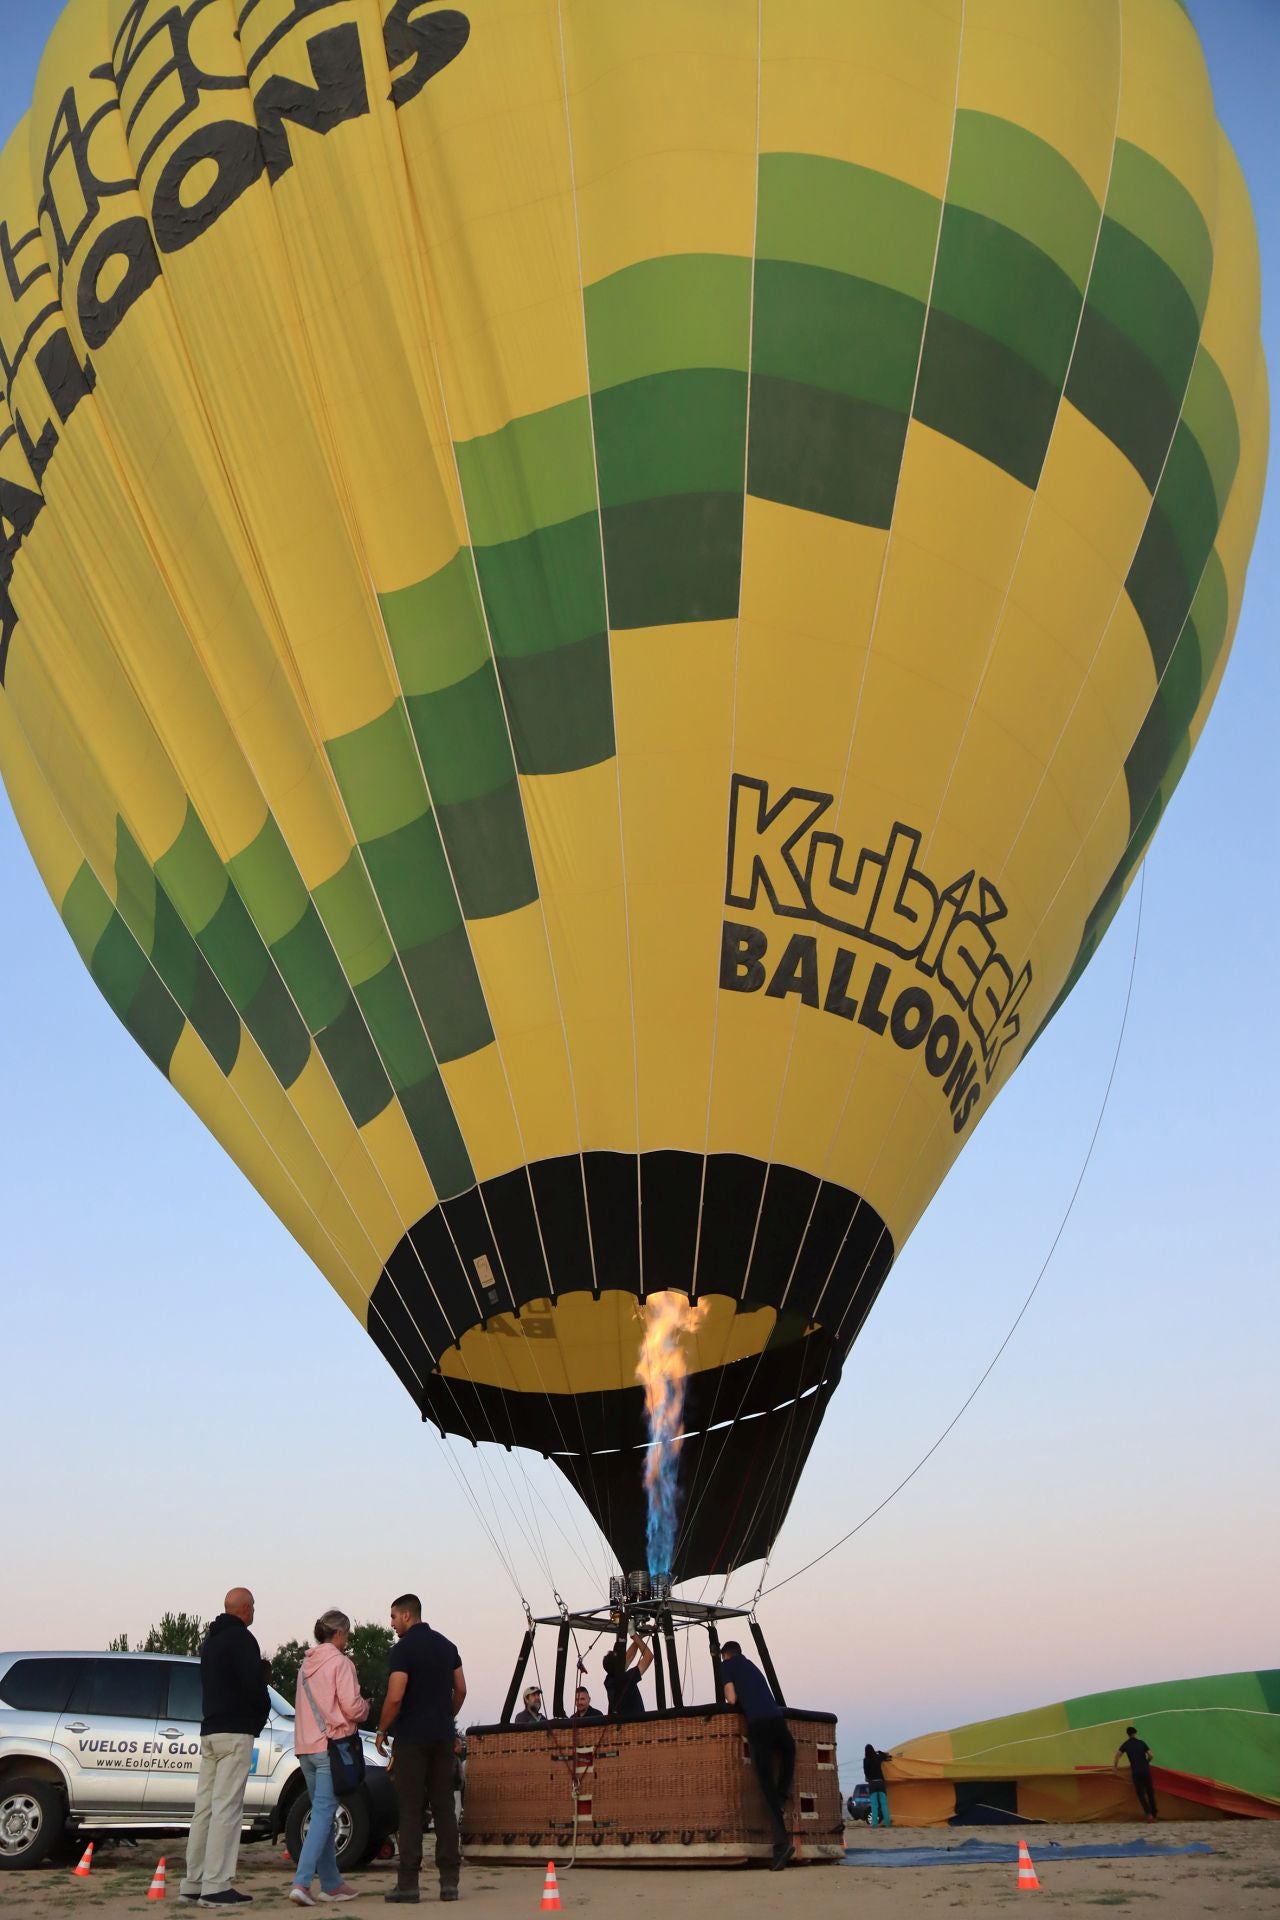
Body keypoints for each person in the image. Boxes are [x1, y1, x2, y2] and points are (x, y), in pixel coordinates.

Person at [179, 1586, 270, 1909]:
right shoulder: (243, 1640)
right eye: (254, 1606)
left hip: (210, 1730)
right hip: (235, 1732)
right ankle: (216, 1885)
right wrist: (259, 1716)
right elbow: (253, 1685)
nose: (255, 1611)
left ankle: (193, 1881)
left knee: (204, 1807)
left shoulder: (211, 1641)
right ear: (244, 1609)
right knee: (228, 1808)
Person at [376, 1593, 465, 1905]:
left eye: (393, 1617)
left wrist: (382, 1729)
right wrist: (445, 1717)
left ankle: (409, 1885)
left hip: (412, 1739)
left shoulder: (402, 1650)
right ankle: (449, 1883)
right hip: (442, 1739)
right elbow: (462, 1689)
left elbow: (396, 1695)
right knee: (444, 1809)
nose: (391, 1624)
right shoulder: (447, 1646)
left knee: (411, 1811)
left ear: (407, 1616)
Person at [288, 1610, 368, 1907]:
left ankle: (332, 1883)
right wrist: (366, 1709)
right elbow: (351, 1706)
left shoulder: (305, 1665)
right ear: (339, 1634)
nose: (347, 1640)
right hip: (331, 1747)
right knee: (323, 1815)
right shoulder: (341, 1664)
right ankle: (302, 1882)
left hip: (305, 1746)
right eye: (347, 1635)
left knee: (322, 1815)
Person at [719, 1640, 795, 1871]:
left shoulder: (727, 1666)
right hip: (776, 1719)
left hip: (758, 1725)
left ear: (725, 1656)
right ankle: (783, 1793)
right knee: (789, 1751)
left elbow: (731, 1698)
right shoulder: (752, 1665)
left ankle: (781, 1844)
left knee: (764, 1782)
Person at [602, 1635, 653, 1720]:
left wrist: (639, 1636)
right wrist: (634, 1635)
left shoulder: (609, 1680)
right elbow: (648, 1657)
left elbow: (629, 1656)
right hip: (635, 1725)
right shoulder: (625, 1680)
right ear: (619, 1666)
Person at [1115, 1725, 1158, 1820]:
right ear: (1135, 1733)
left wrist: (1115, 1767)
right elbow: (1151, 1755)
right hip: (1145, 1771)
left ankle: (1148, 1814)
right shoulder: (1142, 1743)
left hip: (1136, 1772)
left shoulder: (1126, 1744)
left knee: (1141, 1794)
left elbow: (1117, 1755)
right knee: (1150, 1793)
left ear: (1128, 1734)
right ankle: (1154, 1814)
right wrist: (1147, 1762)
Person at [863, 1744, 893, 1827]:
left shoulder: (865, 1760)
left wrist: (868, 1778)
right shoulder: (878, 1757)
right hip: (880, 1783)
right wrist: (879, 1752)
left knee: (874, 1805)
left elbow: (865, 1772)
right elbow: (887, 1755)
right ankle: (887, 1823)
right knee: (884, 1804)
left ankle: (874, 1824)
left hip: (872, 1783)